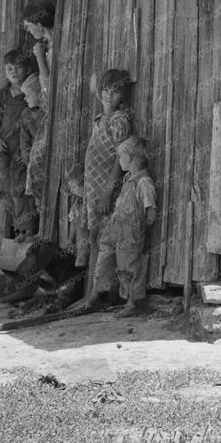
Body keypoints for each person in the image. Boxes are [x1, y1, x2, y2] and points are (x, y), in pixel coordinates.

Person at [82, 136, 156, 316]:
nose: (119, 161)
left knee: (129, 267)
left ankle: (132, 303)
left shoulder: (144, 183)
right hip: (116, 228)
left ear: (129, 159)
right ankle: (97, 292)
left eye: (120, 157)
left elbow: (150, 211)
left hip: (130, 232)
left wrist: (139, 229)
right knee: (105, 256)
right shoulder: (128, 179)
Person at [79, 68, 134, 294]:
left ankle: (98, 293)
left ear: (123, 96)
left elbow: (120, 159)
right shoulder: (100, 119)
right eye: (105, 89)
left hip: (106, 191)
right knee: (93, 238)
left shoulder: (119, 120)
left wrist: (107, 193)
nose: (108, 95)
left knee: (103, 241)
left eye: (115, 92)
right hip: (93, 190)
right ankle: (90, 292)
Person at [0, 50, 38, 239]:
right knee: (6, 189)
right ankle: (18, 227)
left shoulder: (30, 93)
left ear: (28, 69)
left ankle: (28, 229)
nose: (14, 72)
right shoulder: (0, 96)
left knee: (21, 188)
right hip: (3, 149)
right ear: (5, 72)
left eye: (18, 67)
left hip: (22, 150)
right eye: (9, 69)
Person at [16, 64, 49, 239]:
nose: (25, 98)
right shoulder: (26, 114)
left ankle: (45, 232)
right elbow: (24, 141)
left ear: (39, 94)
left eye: (28, 95)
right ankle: (39, 231)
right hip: (33, 163)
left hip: (46, 162)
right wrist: (28, 159)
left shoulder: (47, 113)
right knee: (37, 199)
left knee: (47, 196)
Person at [22, 2, 56, 88]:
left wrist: (39, 57)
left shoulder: (54, 48)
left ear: (39, 24)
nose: (27, 30)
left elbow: (46, 86)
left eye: (28, 26)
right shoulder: (47, 44)